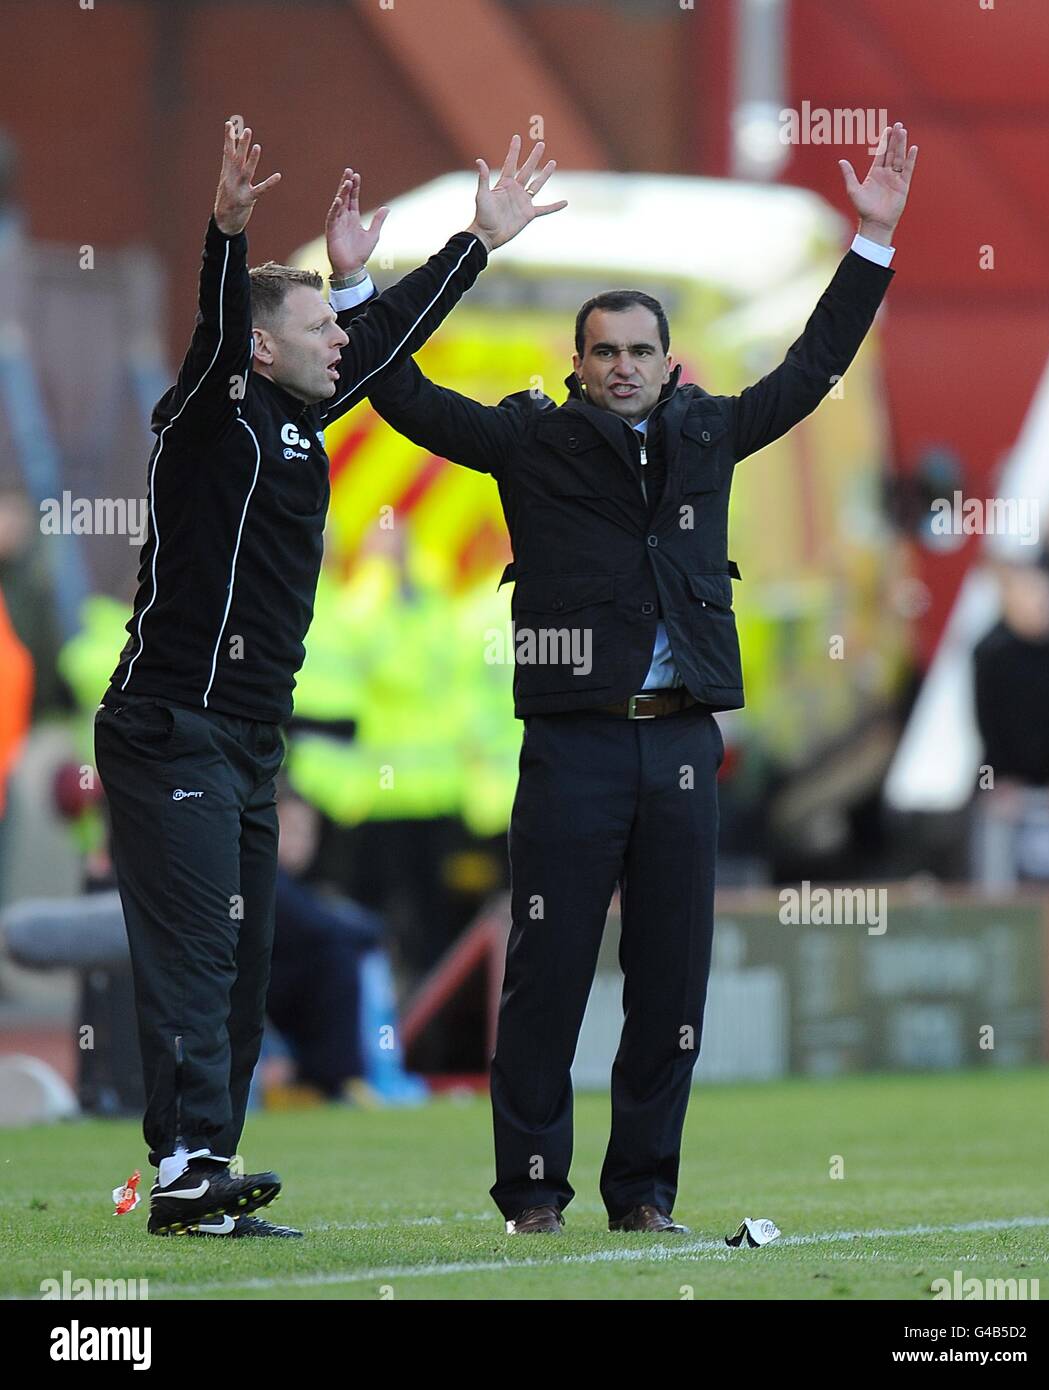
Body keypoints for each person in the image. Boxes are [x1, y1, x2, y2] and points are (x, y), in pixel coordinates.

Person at [364, 124, 919, 1234]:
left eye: (639, 350)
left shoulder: (711, 434)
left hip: (678, 746)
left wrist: (872, 239)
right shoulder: (530, 443)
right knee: (547, 974)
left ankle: (645, 1196)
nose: (621, 365)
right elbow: (399, 393)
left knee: (671, 989)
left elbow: (813, 369)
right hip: (571, 743)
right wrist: (443, 255)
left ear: (671, 361)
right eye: (603, 350)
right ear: (578, 363)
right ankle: (530, 1195)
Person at [94, 117, 564, 1239]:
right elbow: (218, 331)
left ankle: (202, 1171)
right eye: (316, 325)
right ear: (263, 348)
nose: (338, 339)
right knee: (202, 950)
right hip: (174, 724)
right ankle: (187, 1165)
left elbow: (385, 333)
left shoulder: (303, 424)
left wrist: (476, 242)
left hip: (253, 735)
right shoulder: (211, 417)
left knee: (248, 955)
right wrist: (227, 229)